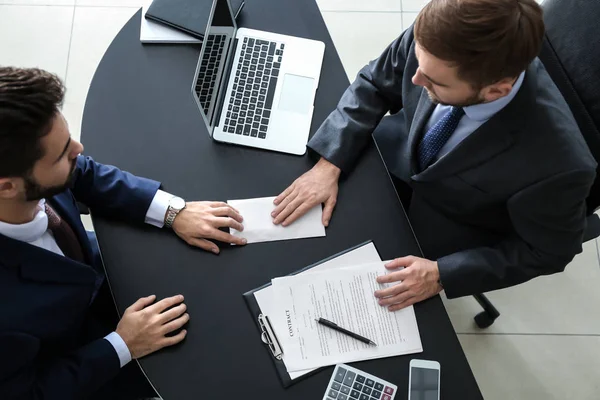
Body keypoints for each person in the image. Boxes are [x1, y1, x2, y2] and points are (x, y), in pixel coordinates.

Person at [271, 0, 597, 310]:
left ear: (496, 90)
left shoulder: (560, 165)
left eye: (433, 82)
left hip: (448, 228)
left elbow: (547, 252)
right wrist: (330, 163)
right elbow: (376, 81)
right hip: (396, 155)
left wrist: (442, 274)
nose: (414, 79)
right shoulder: (442, 37)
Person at [0, 67, 247, 399]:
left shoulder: (30, 174)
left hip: (94, 278)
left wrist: (174, 212)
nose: (79, 148)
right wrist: (122, 345)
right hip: (85, 358)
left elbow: (82, 173)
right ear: (8, 187)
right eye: (62, 153)